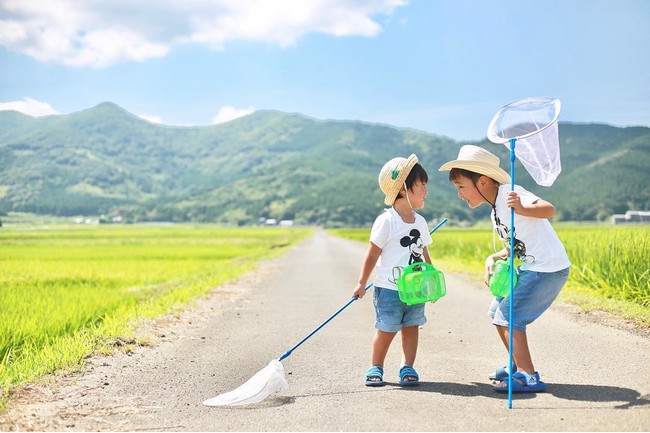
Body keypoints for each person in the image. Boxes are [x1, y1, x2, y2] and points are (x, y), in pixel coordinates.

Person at [439, 144, 570, 393]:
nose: (459, 195)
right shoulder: (495, 210)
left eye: (461, 187)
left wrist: (522, 208)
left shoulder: (510, 193)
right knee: (496, 311)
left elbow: (549, 209)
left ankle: (529, 376)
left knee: (509, 315)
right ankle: (516, 365)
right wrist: (493, 256)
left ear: (483, 182)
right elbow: (513, 248)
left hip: (548, 268)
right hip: (533, 267)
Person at [352, 154, 432, 387]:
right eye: (422, 185)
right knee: (386, 330)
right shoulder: (386, 221)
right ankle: (376, 366)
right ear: (405, 188)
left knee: (412, 327)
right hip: (389, 289)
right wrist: (361, 283)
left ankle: (408, 367)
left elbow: (424, 253)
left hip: (415, 289)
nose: (426, 191)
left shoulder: (421, 222)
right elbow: (372, 254)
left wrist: (430, 279)